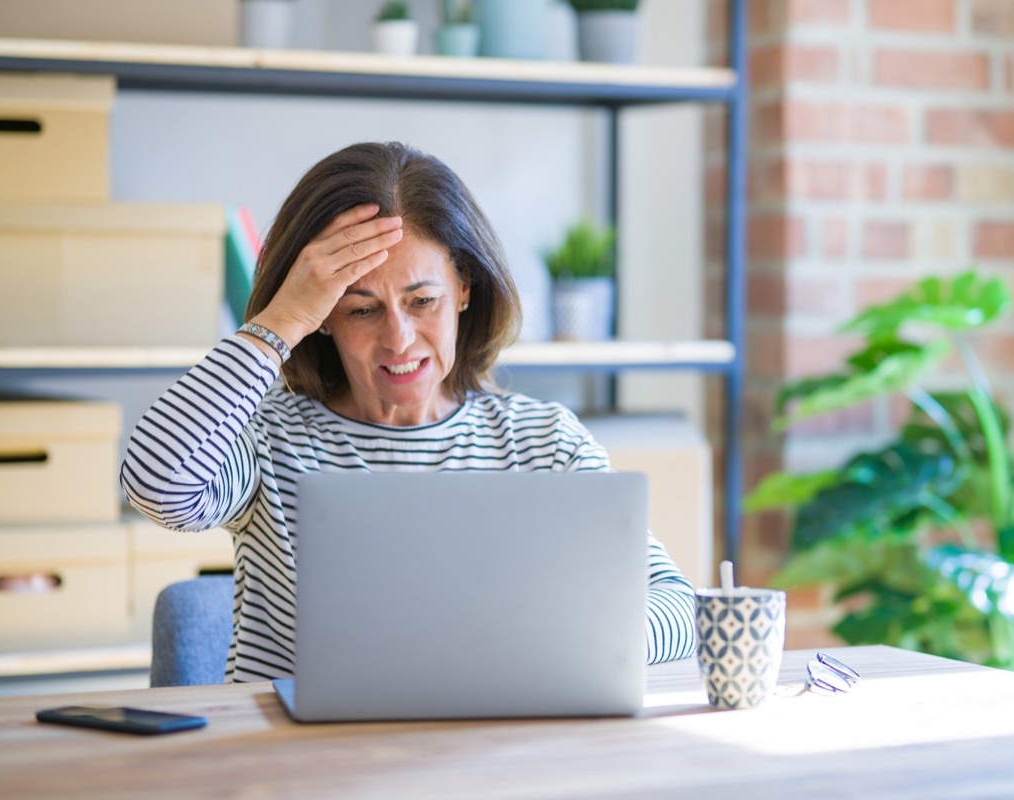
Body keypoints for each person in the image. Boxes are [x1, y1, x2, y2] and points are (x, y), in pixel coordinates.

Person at [121, 141, 696, 683]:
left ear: (464, 286)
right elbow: (155, 485)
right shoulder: (267, 440)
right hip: (298, 754)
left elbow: (678, 607)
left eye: (422, 301)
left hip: (489, 747)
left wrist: (557, 636)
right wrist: (281, 321)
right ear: (323, 317)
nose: (398, 339)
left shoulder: (542, 443)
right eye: (360, 309)